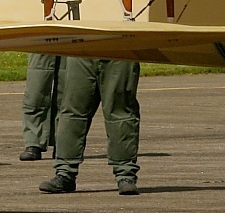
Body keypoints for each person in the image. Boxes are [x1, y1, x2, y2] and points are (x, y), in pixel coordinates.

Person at [39, 57, 141, 196]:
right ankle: (65, 173)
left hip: (120, 50)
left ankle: (126, 174)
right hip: (82, 48)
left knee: (121, 111)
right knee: (72, 111)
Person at [19, 53, 58, 161]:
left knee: (66, 92)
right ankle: (33, 142)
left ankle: (62, 143)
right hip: (44, 39)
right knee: (36, 91)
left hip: (71, 38)